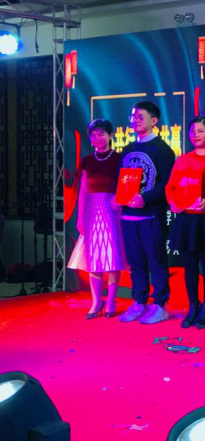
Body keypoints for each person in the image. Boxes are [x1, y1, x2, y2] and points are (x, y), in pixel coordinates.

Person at [117, 101, 176, 325]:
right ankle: (139, 301)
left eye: (140, 116)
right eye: (133, 116)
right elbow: (122, 179)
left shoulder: (162, 150)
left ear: (154, 120)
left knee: (156, 261)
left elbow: (167, 183)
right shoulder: (128, 149)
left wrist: (145, 198)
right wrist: (118, 197)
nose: (135, 120)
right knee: (136, 263)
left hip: (151, 216)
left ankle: (160, 304)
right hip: (128, 216)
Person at [165, 116, 205, 329]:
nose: (195, 135)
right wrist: (173, 202)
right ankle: (193, 306)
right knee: (189, 266)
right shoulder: (183, 159)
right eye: (192, 131)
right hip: (186, 219)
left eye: (200, 131)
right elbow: (171, 187)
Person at [68, 119, 125, 319]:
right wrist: (80, 217)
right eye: (93, 135)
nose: (97, 138)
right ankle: (96, 302)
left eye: (101, 134)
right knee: (94, 257)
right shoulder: (86, 161)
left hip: (112, 209)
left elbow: (125, 185)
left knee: (112, 257)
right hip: (91, 210)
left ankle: (110, 302)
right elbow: (83, 190)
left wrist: (119, 200)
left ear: (110, 135)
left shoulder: (119, 158)